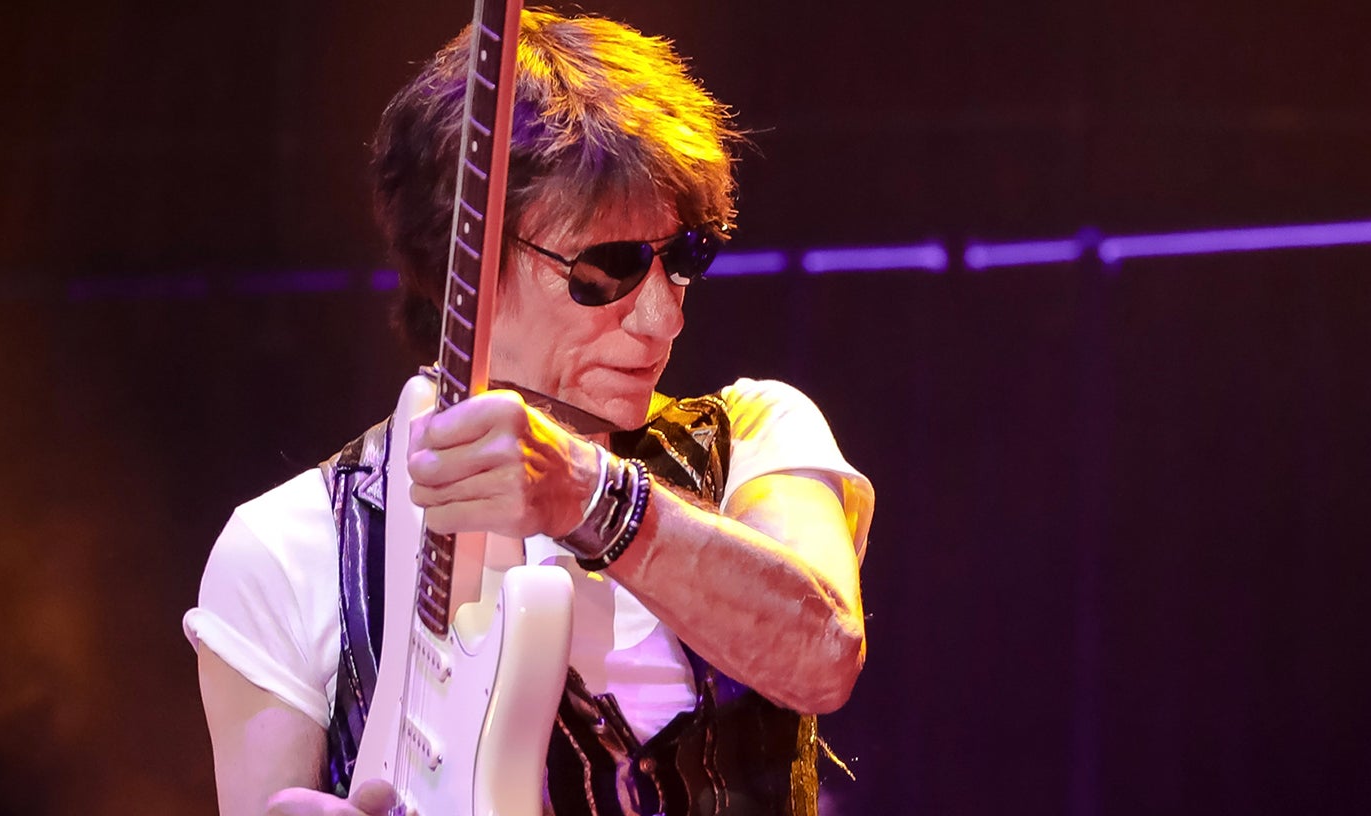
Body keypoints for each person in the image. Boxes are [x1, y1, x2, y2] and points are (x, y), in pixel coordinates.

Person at [185, 10, 874, 816]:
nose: (665, 319)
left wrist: (586, 494)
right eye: (607, 269)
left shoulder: (755, 435)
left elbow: (824, 655)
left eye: (684, 257)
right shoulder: (287, 549)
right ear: (465, 263)